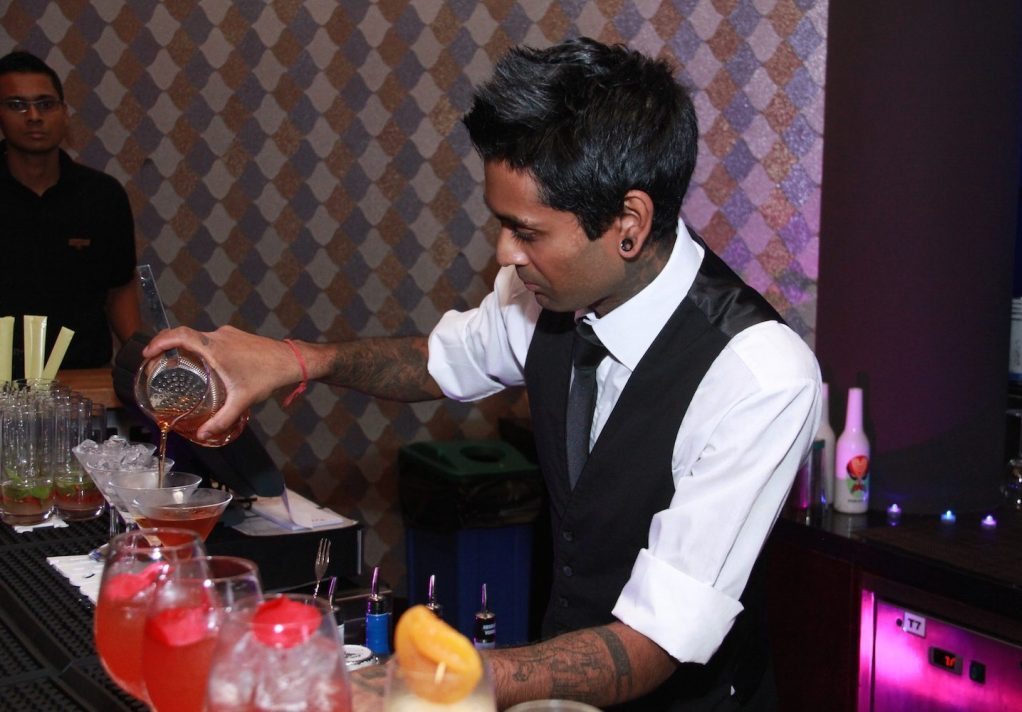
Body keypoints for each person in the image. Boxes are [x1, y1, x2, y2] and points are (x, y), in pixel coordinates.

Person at [145, 38, 821, 710]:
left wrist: (442, 681)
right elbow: (440, 361)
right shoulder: (549, 292)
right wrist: (299, 359)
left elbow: (652, 642)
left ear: (629, 223)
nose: (504, 253)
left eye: (526, 232)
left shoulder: (759, 377)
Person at [0, 50, 139, 377]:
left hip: (85, 375)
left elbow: (119, 289)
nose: (34, 116)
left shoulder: (102, 195)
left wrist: (144, 360)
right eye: (17, 105)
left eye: (46, 104)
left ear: (64, 114)